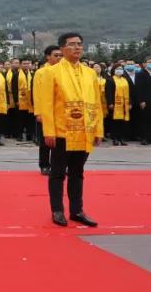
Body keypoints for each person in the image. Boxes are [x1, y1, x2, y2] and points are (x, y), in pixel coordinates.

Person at [35, 33, 103, 228]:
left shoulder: (90, 73)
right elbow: (47, 104)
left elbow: (97, 103)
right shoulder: (51, 72)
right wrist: (48, 131)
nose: (77, 48)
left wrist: (98, 129)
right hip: (62, 131)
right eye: (72, 45)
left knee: (78, 172)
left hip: (84, 131)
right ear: (62, 49)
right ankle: (57, 209)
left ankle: (77, 210)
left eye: (80, 44)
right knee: (57, 173)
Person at [34, 46, 62, 175]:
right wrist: (39, 112)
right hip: (46, 111)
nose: (58, 58)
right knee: (46, 141)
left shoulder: (62, 71)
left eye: (60, 55)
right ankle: (44, 165)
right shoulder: (41, 72)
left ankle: (59, 165)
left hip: (60, 112)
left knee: (61, 141)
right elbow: (37, 94)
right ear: (48, 56)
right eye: (55, 55)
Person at [105, 66, 132, 145]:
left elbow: (129, 92)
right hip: (114, 104)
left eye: (121, 69)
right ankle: (115, 138)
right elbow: (108, 93)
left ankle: (121, 138)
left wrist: (129, 102)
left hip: (124, 104)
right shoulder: (110, 80)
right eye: (117, 69)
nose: (119, 70)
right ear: (114, 70)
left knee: (122, 122)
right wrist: (110, 103)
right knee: (114, 122)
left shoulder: (125, 80)